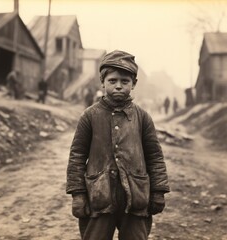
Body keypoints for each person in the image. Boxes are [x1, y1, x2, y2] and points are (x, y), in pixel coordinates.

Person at [66, 50, 170, 240]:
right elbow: (77, 157)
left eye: (125, 81)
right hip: (98, 198)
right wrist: (78, 194)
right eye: (112, 81)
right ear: (103, 82)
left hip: (136, 199)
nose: (119, 86)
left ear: (134, 84)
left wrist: (158, 191)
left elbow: (154, 156)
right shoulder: (90, 116)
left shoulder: (143, 117)